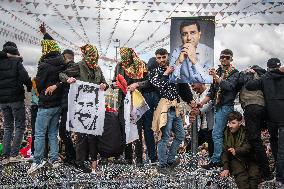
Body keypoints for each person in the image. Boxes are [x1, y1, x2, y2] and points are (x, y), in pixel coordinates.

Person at [60, 44, 108, 174]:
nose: (93, 58)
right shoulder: (79, 66)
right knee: (81, 134)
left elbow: (104, 82)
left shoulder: (97, 69)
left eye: (95, 56)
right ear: (86, 55)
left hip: (93, 105)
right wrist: (68, 79)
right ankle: (79, 162)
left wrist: (104, 85)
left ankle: (91, 160)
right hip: (80, 105)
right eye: (91, 55)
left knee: (92, 134)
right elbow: (62, 74)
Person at [27, 36, 66, 174]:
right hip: (57, 104)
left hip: (46, 104)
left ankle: (38, 160)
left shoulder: (44, 65)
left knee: (39, 133)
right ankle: (54, 159)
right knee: (53, 133)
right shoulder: (62, 62)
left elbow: (39, 83)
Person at [246, 58, 284, 186]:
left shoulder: (265, 78)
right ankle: (280, 178)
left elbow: (249, 85)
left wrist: (251, 74)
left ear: (268, 67)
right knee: (281, 148)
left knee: (274, 142)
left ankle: (278, 176)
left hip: (272, 117)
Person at [200, 49, 239, 169]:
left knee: (216, 134)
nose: (224, 59)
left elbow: (229, 86)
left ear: (231, 59)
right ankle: (224, 161)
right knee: (220, 134)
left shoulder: (235, 73)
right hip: (218, 106)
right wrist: (200, 103)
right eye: (222, 57)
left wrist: (216, 77)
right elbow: (212, 92)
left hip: (226, 106)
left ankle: (217, 161)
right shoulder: (218, 71)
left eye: (227, 57)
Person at [149, 49, 186, 171]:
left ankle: (170, 160)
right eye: (158, 58)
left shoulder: (175, 69)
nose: (161, 60)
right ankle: (162, 164)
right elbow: (158, 85)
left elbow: (181, 87)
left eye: (163, 57)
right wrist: (166, 73)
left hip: (175, 107)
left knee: (181, 135)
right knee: (163, 137)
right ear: (156, 58)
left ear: (167, 56)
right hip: (164, 108)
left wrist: (187, 101)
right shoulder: (154, 72)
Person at [112, 47, 147, 167]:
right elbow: (113, 81)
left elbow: (148, 81)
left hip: (136, 100)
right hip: (123, 101)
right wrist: (115, 85)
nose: (124, 59)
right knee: (124, 127)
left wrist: (137, 84)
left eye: (126, 57)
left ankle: (139, 159)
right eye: (122, 57)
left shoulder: (141, 65)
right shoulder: (119, 66)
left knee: (137, 129)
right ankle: (128, 157)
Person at [238, 65, 273, 182]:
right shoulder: (263, 76)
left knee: (254, 141)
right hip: (263, 108)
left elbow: (243, 83)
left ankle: (266, 174)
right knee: (255, 139)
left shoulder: (249, 74)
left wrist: (247, 73)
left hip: (251, 106)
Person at [0, 41, 32, 164]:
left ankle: (5, 156)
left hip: (2, 100)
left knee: (7, 127)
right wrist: (29, 87)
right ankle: (14, 155)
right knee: (19, 126)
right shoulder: (16, 62)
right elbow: (25, 78)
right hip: (16, 99)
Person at [220, 111, 260, 189]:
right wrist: (226, 168)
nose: (230, 125)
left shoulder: (246, 131)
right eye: (229, 123)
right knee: (241, 178)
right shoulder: (226, 133)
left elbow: (248, 146)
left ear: (240, 122)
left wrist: (236, 150)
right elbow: (224, 151)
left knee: (253, 177)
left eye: (233, 123)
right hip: (235, 159)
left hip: (249, 158)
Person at [189, 83, 214, 157]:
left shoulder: (210, 92)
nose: (192, 88)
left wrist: (199, 111)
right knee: (190, 147)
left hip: (210, 127)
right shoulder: (197, 97)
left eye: (193, 85)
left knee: (212, 150)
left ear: (200, 82)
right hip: (202, 128)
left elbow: (210, 105)